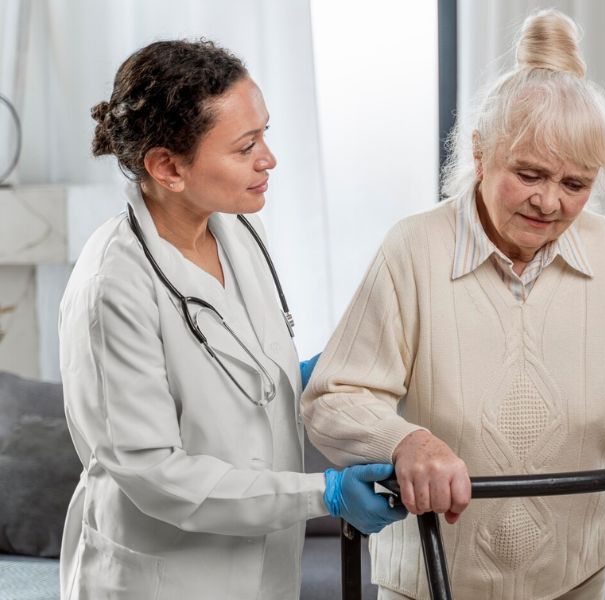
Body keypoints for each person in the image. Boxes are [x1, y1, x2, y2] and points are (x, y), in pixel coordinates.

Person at [302, 10, 605, 599]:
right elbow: (335, 397)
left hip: (575, 575)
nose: (549, 201)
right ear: (480, 154)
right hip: (431, 577)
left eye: (575, 184)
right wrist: (407, 442)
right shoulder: (414, 247)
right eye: (528, 173)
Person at [58, 40, 405, 600]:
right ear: (168, 166)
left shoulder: (239, 230)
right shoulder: (112, 288)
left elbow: (247, 377)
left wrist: (313, 375)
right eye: (246, 147)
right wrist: (327, 494)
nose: (268, 158)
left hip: (264, 568)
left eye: (264, 134)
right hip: (164, 579)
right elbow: (156, 476)